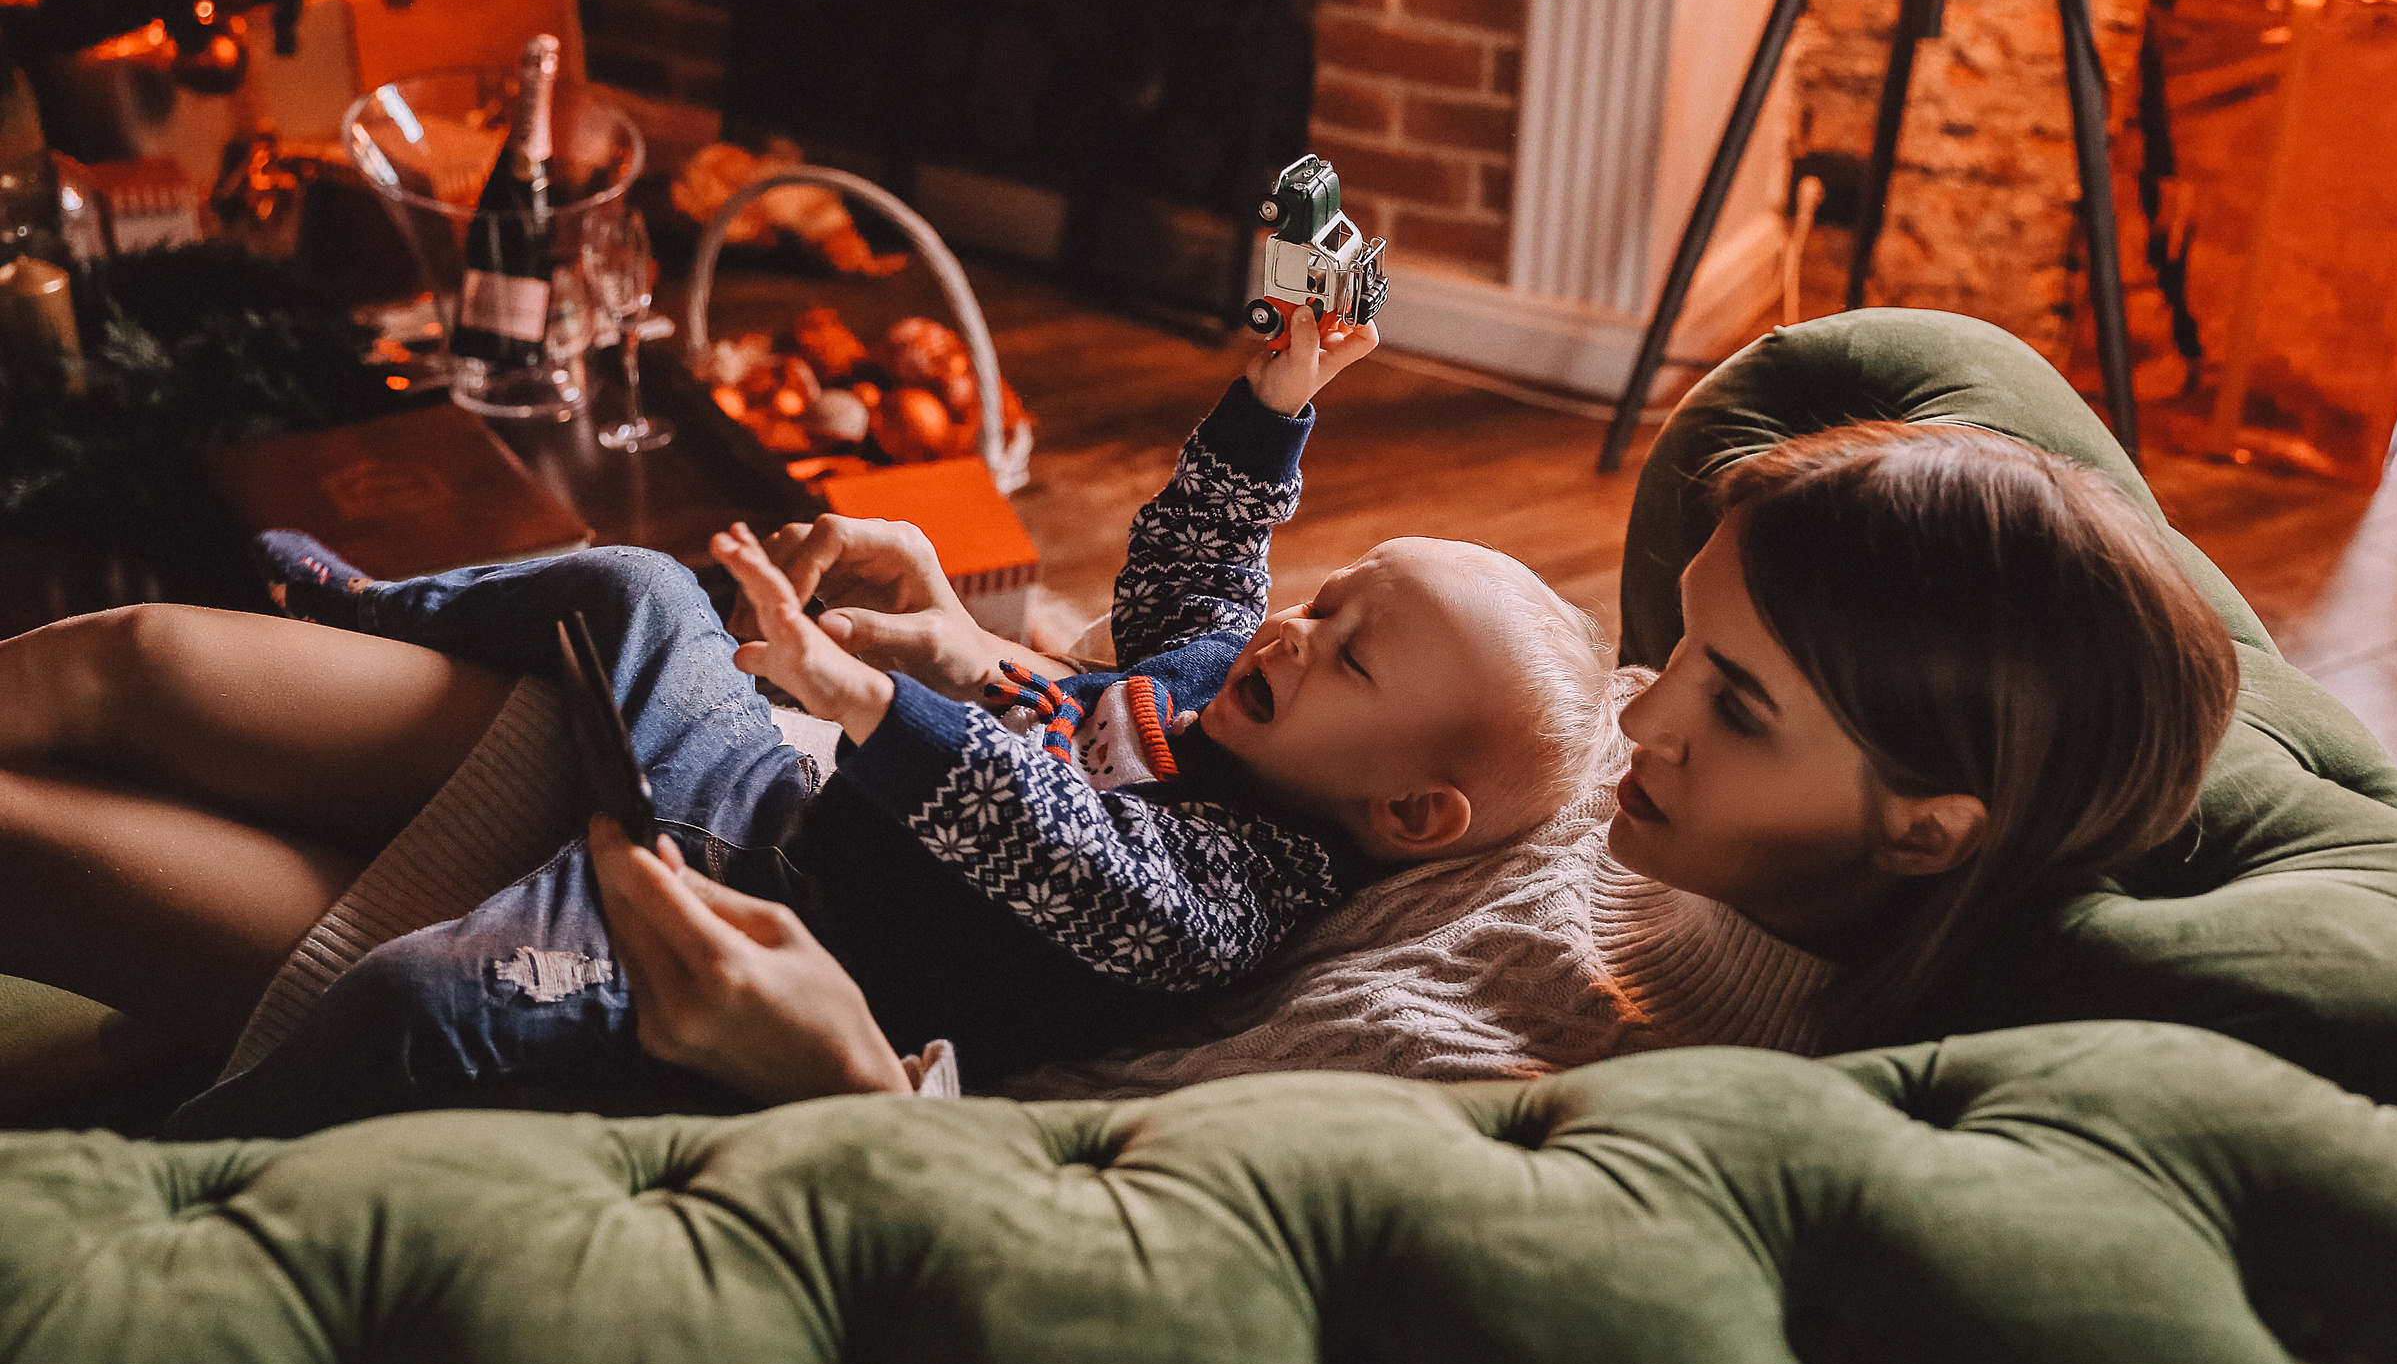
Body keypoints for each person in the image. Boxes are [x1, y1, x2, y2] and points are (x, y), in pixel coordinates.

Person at [0, 304, 1616, 1132]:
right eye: (1335, 595)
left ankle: (199, 1164)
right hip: (749, 788)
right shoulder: (1218, 684)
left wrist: (879, 696)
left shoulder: (1246, 884)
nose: (1296, 625)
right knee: (638, 581)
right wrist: (1276, 411)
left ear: (1413, 815)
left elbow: (1065, 850)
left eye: (1350, 658)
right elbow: (1203, 566)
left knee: (432, 1003)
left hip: (764, 919)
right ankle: (359, 606)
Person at [577, 411, 2242, 1101]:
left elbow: (1108, 1243)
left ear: (1927, 834)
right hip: (864, 839)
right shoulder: (1630, 788)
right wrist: (990, 653)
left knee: (399, 953)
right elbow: (1195, 719)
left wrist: (839, 1084)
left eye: (1733, 708)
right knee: (600, 621)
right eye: (1680, 645)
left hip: (822, 1032)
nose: (1637, 715)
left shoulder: (1547, 1057)